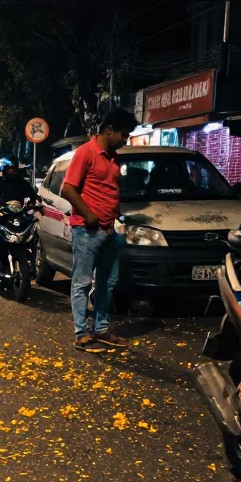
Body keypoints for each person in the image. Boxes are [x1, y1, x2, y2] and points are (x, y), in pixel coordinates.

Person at [61, 109, 137, 352]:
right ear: (110, 129)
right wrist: (90, 216)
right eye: (124, 135)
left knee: (108, 282)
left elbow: (109, 189)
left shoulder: (114, 157)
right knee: (82, 282)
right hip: (87, 230)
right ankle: (81, 334)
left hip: (108, 230)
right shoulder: (86, 152)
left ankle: (102, 329)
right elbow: (68, 189)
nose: (126, 140)